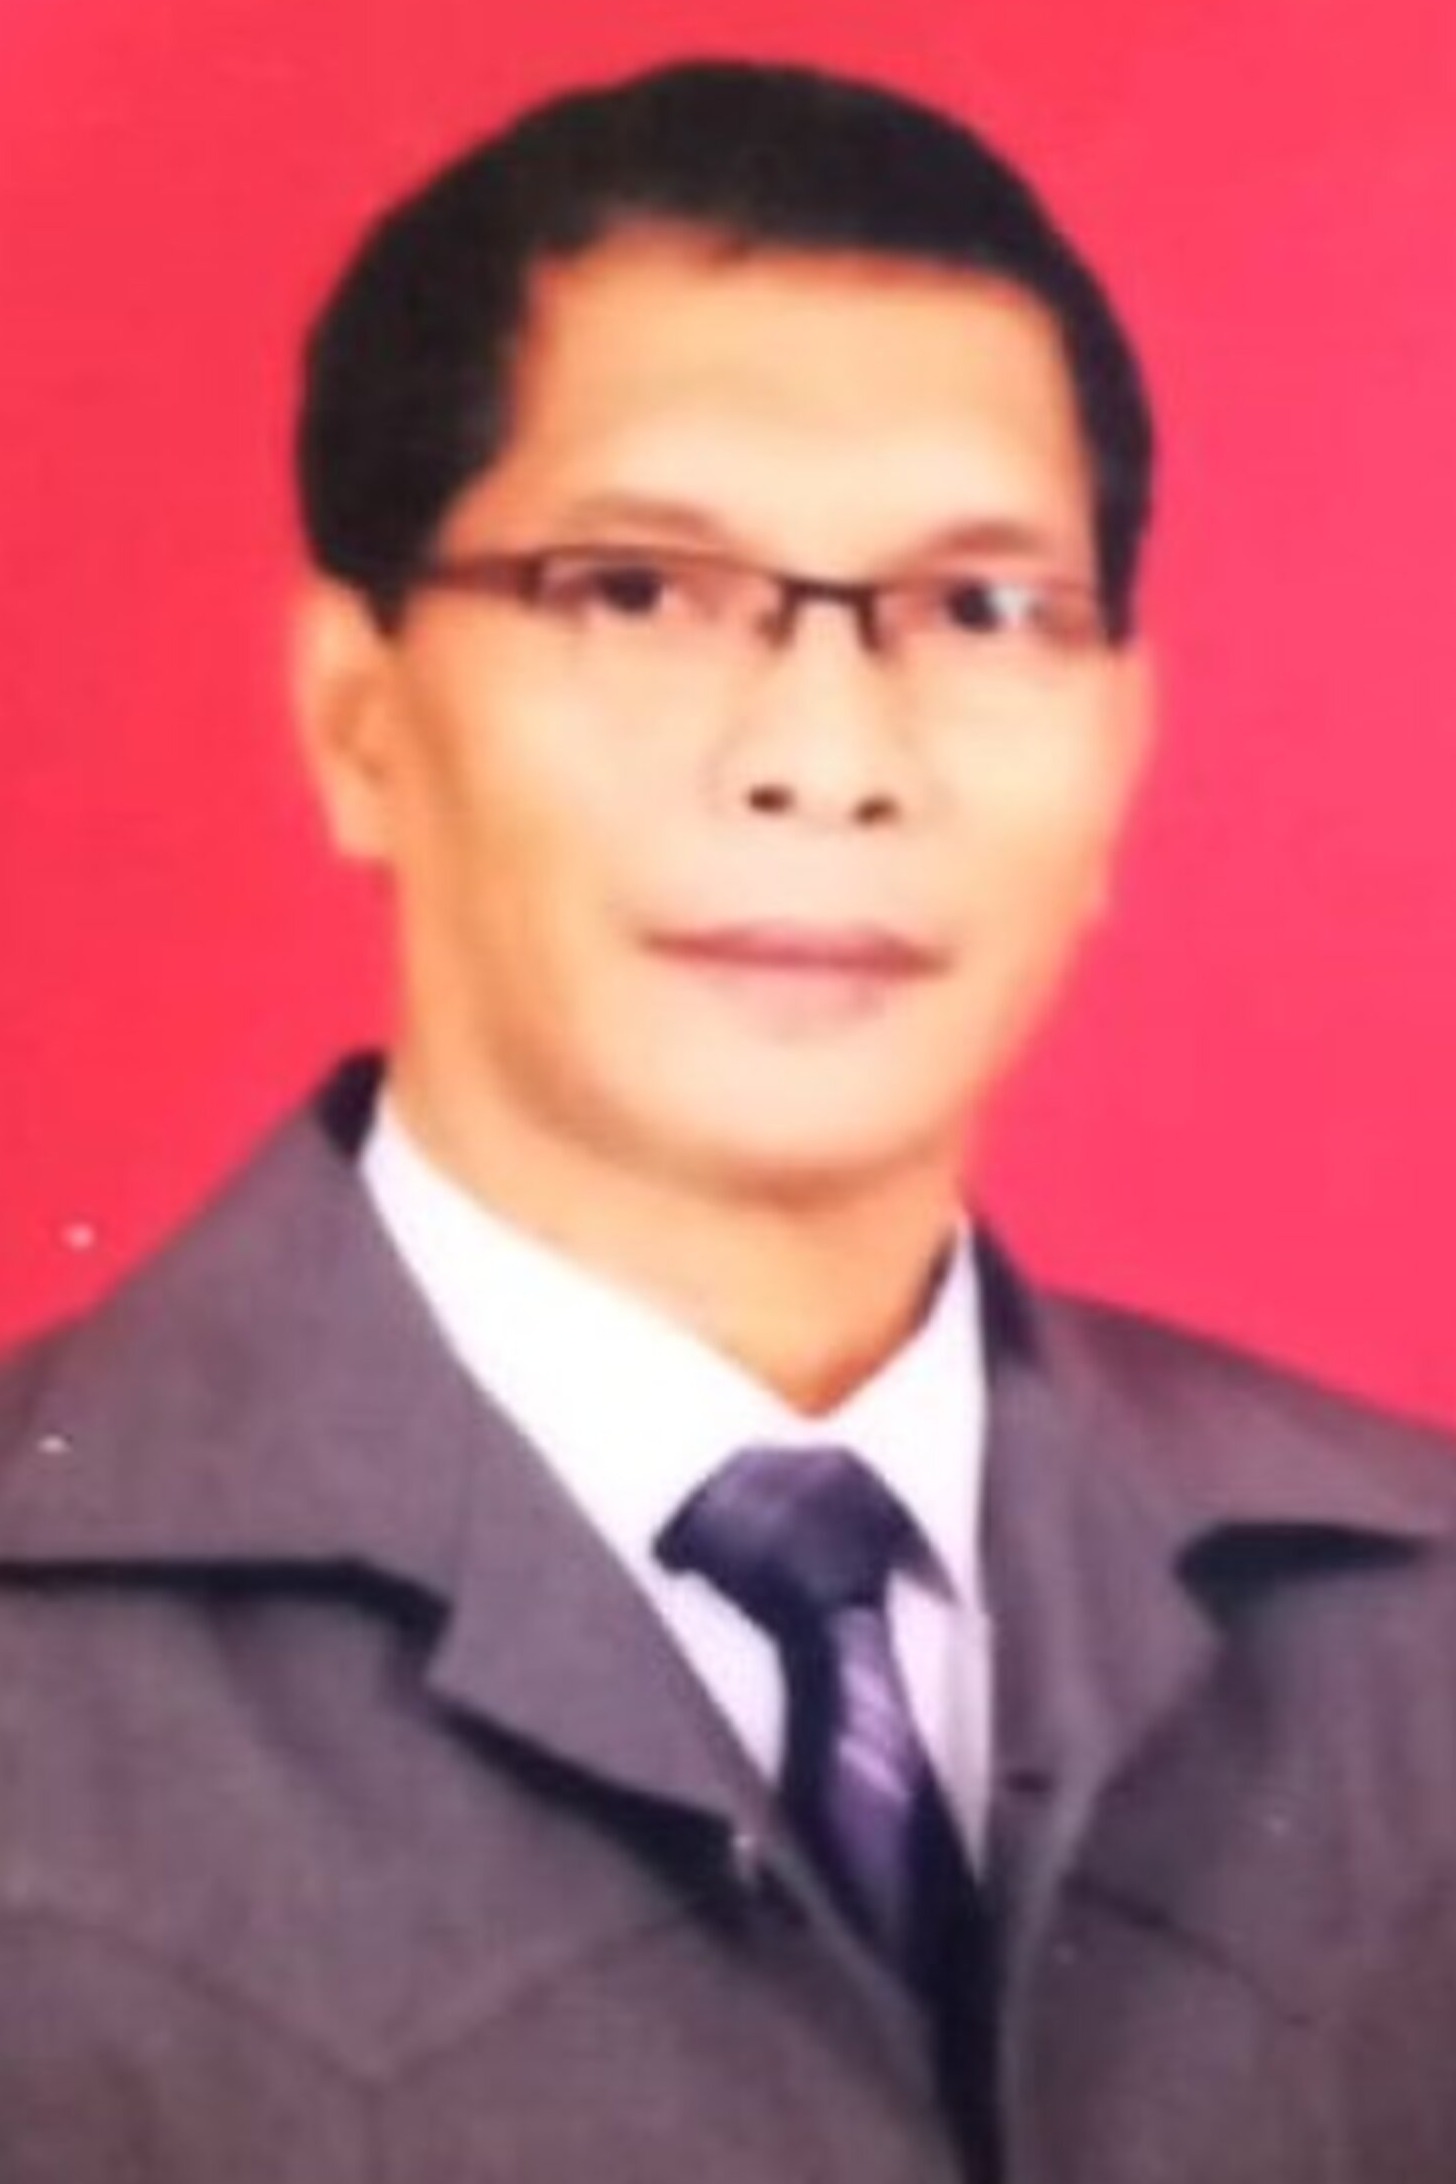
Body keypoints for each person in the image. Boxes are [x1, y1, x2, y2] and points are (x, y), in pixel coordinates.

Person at [1, 55, 1454, 2184]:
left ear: (1123, 740)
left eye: (977, 609)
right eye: (638, 591)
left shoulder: (1414, 1631)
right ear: (357, 715)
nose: (826, 757)